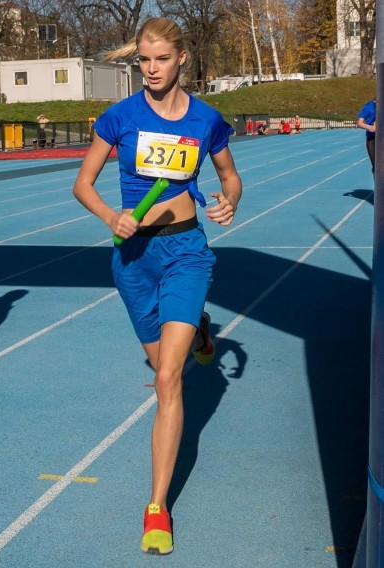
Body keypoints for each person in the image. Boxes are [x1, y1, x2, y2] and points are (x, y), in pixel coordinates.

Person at [72, 17, 242, 556]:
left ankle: (156, 507)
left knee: (168, 380)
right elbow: (83, 184)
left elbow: (230, 175)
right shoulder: (119, 117)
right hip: (134, 259)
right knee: (160, 361)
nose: (151, 69)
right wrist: (110, 217)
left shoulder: (206, 119)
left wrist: (228, 199)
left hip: (186, 250)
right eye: (143, 60)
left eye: (161, 59)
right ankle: (199, 333)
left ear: (181, 59)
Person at [358, 99, 376, 172]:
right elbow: (359, 123)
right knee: (376, 167)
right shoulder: (370, 106)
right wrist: (370, 127)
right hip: (372, 139)